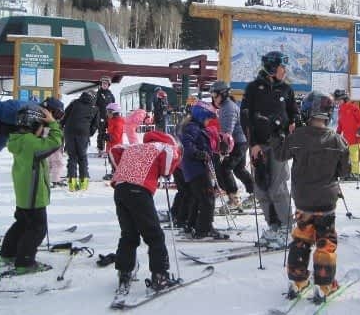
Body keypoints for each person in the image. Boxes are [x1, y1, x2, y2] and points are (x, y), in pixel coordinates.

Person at [271, 91, 349, 300]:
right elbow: (344, 172)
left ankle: (297, 281)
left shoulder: (297, 137)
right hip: (326, 201)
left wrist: (277, 132)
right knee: (325, 241)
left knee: (301, 238)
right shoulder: (338, 141)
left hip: (303, 201)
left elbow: (279, 154)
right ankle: (323, 286)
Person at [109, 130, 182, 291]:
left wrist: (121, 168)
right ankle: (160, 276)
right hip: (139, 190)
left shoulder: (135, 146)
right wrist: (166, 172)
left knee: (129, 234)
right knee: (154, 235)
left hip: (120, 188)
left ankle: (124, 272)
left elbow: (114, 150)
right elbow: (170, 161)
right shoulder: (163, 146)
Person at [240, 51, 298, 242]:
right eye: (282, 67)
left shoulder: (287, 90)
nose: (285, 70)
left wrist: (294, 123)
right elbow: (246, 118)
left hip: (279, 145)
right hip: (259, 145)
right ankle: (273, 225)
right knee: (261, 188)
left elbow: (294, 113)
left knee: (277, 187)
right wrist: (253, 144)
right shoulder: (253, 89)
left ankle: (287, 227)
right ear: (273, 68)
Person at [0, 106, 62, 275]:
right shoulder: (29, 142)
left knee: (22, 224)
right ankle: (25, 262)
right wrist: (54, 124)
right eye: (42, 126)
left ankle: (8, 252)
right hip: (34, 194)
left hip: (24, 193)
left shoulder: (19, 139)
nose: (43, 131)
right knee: (37, 228)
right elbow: (55, 143)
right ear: (34, 125)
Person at [180, 101, 227, 239]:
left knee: (199, 197)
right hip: (196, 168)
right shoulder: (192, 128)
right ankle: (204, 229)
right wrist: (198, 153)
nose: (208, 122)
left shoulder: (195, 127)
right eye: (207, 118)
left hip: (196, 168)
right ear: (201, 116)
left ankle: (193, 225)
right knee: (208, 197)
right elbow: (187, 144)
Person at [210, 81, 254, 208]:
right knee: (239, 169)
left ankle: (234, 199)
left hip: (237, 142)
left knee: (225, 168)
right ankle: (255, 192)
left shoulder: (228, 108)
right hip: (239, 141)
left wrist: (223, 148)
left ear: (223, 94)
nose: (214, 97)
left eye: (215, 94)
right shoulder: (226, 106)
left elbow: (227, 132)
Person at [61, 91, 99, 191]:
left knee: (72, 157)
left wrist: (61, 126)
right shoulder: (94, 108)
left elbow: (65, 116)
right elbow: (95, 125)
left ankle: (72, 184)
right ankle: (83, 184)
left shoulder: (74, 103)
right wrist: (88, 133)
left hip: (69, 131)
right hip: (83, 133)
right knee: (82, 157)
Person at [333, 89, 360, 181]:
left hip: (356, 136)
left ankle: (356, 174)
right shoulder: (341, 110)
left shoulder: (353, 107)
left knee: (353, 156)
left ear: (344, 99)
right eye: (336, 100)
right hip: (346, 138)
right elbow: (340, 124)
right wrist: (337, 134)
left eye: (339, 100)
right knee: (349, 156)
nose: (337, 102)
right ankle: (358, 173)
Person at [41, 97, 66, 188]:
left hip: (48, 140)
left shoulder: (43, 117)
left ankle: (49, 179)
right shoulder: (49, 121)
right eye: (59, 113)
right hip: (51, 142)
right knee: (57, 162)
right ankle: (55, 180)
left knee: (50, 162)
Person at [102, 102, 125, 181]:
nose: (107, 114)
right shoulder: (111, 120)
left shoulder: (118, 122)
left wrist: (108, 137)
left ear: (114, 113)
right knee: (111, 160)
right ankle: (114, 172)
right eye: (107, 112)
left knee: (115, 160)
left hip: (115, 146)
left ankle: (117, 173)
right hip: (110, 146)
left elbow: (116, 136)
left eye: (109, 112)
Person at [96, 76, 115, 157]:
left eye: (106, 83)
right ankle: (100, 149)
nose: (104, 85)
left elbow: (114, 105)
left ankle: (110, 149)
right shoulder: (98, 94)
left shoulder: (110, 95)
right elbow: (95, 105)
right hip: (101, 116)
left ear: (108, 85)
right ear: (101, 84)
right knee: (101, 133)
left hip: (110, 117)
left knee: (111, 132)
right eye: (103, 83)